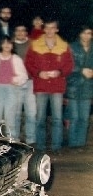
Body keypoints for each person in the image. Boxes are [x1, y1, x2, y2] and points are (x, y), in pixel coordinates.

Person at [24, 19, 74, 153]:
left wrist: (60, 72)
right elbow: (28, 63)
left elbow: (69, 64)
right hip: (41, 86)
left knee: (57, 117)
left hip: (57, 87)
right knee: (40, 117)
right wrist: (38, 73)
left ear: (57, 29)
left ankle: (56, 146)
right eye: (47, 28)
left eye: (53, 28)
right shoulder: (35, 45)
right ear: (44, 29)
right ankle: (40, 146)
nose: (50, 30)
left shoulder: (64, 46)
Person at [0, 36, 28, 140]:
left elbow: (24, 76)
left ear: (12, 45)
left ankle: (12, 144)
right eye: (4, 43)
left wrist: (16, 80)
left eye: (9, 43)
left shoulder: (16, 59)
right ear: (1, 45)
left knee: (10, 120)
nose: (6, 45)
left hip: (11, 90)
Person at [65, 25, 93, 149]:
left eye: (89, 33)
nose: (87, 36)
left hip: (88, 87)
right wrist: (81, 70)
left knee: (84, 119)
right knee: (74, 118)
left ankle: (80, 145)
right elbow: (67, 66)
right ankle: (73, 144)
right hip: (73, 86)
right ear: (80, 34)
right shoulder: (72, 47)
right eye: (85, 33)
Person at [12, 23, 36, 145]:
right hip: (15, 84)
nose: (20, 33)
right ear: (14, 32)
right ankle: (15, 140)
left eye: (23, 30)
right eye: (18, 30)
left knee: (31, 113)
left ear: (26, 32)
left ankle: (30, 140)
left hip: (31, 82)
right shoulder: (9, 44)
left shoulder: (33, 44)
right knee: (15, 113)